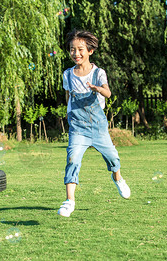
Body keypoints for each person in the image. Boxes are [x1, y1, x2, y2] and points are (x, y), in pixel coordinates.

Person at [57, 29, 130, 218]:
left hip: (97, 127)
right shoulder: (67, 75)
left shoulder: (98, 73)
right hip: (78, 127)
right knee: (72, 159)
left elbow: (108, 93)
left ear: (90, 51)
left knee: (113, 158)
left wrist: (97, 88)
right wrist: (69, 114)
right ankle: (69, 201)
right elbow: (68, 96)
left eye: (80, 49)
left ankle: (118, 178)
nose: (76, 53)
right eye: (72, 50)